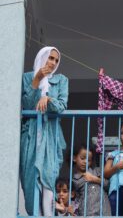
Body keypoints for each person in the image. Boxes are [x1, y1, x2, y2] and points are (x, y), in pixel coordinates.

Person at [20, 46, 68, 215]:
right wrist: (38, 78)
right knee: (30, 179)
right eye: (50, 58)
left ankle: (47, 215)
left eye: (56, 60)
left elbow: (61, 105)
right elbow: (27, 105)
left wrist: (47, 98)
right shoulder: (27, 77)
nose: (53, 62)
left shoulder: (61, 80)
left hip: (50, 136)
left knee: (48, 179)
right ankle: (34, 214)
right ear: (42, 57)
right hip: (31, 136)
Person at [72, 143, 111, 216]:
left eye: (89, 160)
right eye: (82, 158)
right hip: (87, 213)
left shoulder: (97, 171)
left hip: (103, 212)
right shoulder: (74, 180)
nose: (85, 162)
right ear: (74, 158)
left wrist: (94, 179)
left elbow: (108, 185)